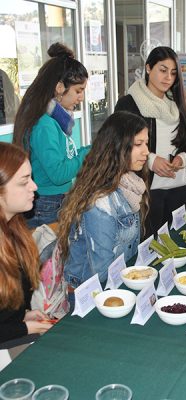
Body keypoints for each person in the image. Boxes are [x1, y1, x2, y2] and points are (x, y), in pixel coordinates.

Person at [58, 111, 149, 302]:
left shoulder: (130, 184)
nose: (146, 151)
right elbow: (100, 271)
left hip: (116, 285)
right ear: (117, 147)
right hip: (93, 294)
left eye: (146, 143)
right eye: (138, 144)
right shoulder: (100, 201)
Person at [115, 46, 186, 234]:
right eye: (162, 70)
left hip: (180, 187)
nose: (168, 78)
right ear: (148, 68)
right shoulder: (129, 104)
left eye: (173, 73)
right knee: (148, 246)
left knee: (176, 242)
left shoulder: (181, 101)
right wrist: (152, 160)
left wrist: (183, 158)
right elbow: (119, 144)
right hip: (146, 190)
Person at [12, 43, 90, 228]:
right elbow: (58, 174)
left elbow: (65, 158)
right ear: (60, 87)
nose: (81, 98)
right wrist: (89, 154)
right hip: (47, 205)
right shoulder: (45, 124)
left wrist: (87, 151)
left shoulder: (56, 120)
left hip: (53, 201)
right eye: (78, 91)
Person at [0, 142, 53, 346]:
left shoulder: (15, 229)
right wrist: (23, 328)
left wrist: (23, 315)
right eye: (24, 182)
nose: (34, 187)